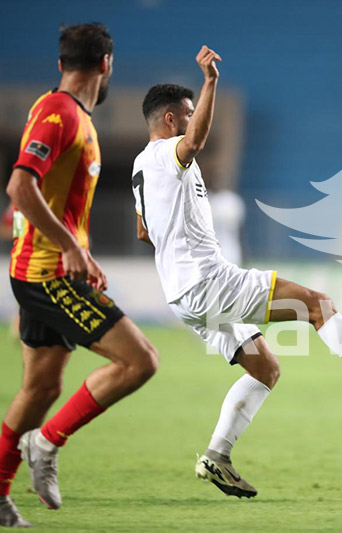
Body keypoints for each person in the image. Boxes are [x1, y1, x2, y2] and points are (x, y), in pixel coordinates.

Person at [131, 45, 342, 500]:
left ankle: (217, 456)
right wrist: (211, 82)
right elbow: (195, 142)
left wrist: (184, 238)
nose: (194, 118)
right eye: (188, 113)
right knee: (318, 306)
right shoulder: (166, 156)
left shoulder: (141, 167)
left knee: (265, 369)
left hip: (183, 294)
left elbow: (145, 233)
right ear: (169, 121)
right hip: (208, 280)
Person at [0, 24, 158, 528]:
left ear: (62, 61)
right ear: (106, 64)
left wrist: (81, 250)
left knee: (41, 390)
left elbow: (52, 201)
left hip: (46, 269)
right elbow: (20, 186)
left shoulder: (67, 114)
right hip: (47, 275)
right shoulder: (60, 114)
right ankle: (46, 442)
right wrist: (70, 246)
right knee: (141, 361)